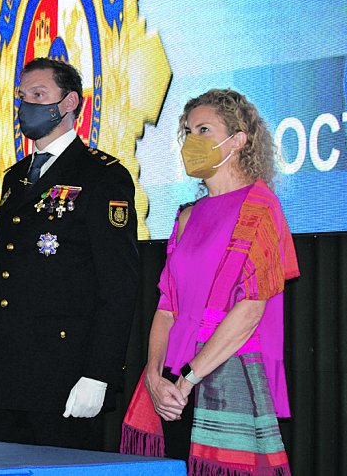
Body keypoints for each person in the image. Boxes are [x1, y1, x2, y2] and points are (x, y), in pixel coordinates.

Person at [120, 89, 299, 475]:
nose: (191, 141)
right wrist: (154, 375)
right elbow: (167, 307)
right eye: (187, 132)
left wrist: (187, 380)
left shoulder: (261, 206)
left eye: (204, 129)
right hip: (173, 383)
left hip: (222, 377)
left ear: (238, 140)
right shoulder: (186, 216)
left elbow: (250, 311)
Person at [0, 57, 139, 450]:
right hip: (12, 368)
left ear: (70, 102)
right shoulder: (14, 177)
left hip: (67, 372)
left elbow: (119, 284)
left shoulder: (101, 175)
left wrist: (99, 373)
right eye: (22, 97)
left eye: (39, 95)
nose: (27, 106)